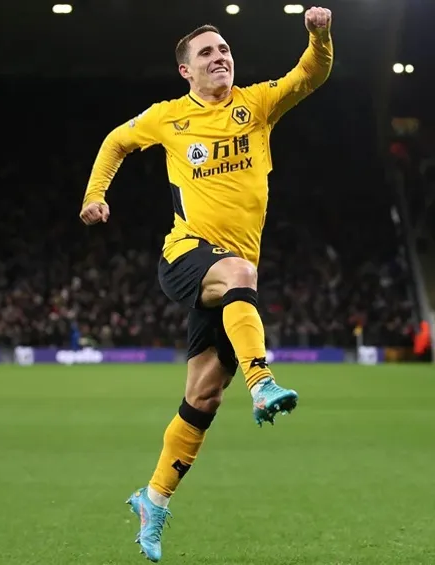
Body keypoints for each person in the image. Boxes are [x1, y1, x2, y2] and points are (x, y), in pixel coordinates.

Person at [78, 7, 334, 562]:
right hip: (187, 255)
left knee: (202, 395)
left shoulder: (256, 105)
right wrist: (95, 195)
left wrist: (319, 34)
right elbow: (115, 142)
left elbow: (310, 75)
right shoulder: (168, 117)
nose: (220, 58)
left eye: (224, 50)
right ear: (185, 72)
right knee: (242, 272)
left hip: (230, 276)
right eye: (207, 54)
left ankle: (153, 498)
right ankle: (262, 380)